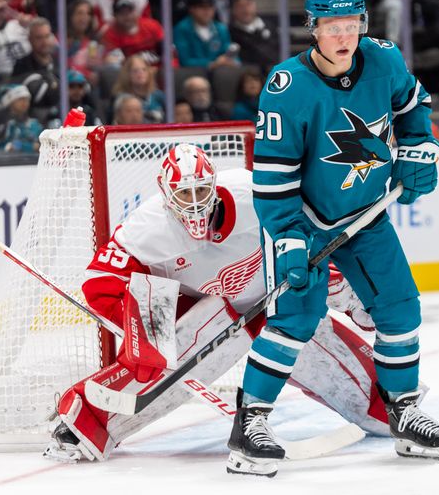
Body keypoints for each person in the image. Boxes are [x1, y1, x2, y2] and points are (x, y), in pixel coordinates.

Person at [230, 0, 439, 477]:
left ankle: (404, 411)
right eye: (332, 25)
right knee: (296, 318)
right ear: (313, 28)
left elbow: (414, 105)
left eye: (351, 22)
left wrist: (420, 148)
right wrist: (288, 239)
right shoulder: (286, 88)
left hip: (368, 215)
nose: (343, 35)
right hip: (304, 221)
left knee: (401, 309)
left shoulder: (384, 59)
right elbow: (273, 180)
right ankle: (250, 424)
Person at [43, 144, 391, 464]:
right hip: (211, 313)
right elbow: (100, 283)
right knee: (174, 347)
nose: (194, 203)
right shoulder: (148, 228)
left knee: (319, 331)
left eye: (200, 191)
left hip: (276, 294)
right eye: (183, 194)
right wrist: (144, 333)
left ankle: (391, 404)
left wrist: (342, 289)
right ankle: (86, 421)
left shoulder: (249, 191)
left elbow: (311, 230)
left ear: (213, 185)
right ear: (166, 195)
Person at [173, 0, 238, 69]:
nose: (206, 11)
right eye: (201, 7)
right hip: (192, 74)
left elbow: (228, 51)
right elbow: (184, 60)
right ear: (191, 9)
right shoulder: (181, 29)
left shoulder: (221, 29)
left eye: (210, 7)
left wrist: (232, 62)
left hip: (218, 73)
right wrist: (212, 64)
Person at [13, 17, 60, 120]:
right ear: (30, 39)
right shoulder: (22, 65)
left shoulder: (59, 62)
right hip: (35, 118)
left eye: (47, 36)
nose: (44, 42)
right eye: (39, 38)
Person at [102, 0, 167, 65]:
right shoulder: (110, 34)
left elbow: (168, 52)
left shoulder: (153, 26)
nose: (127, 16)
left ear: (136, 11)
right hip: (129, 72)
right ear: (114, 16)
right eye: (122, 13)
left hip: (158, 70)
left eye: (129, 11)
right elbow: (114, 62)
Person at [228, 0, 280, 74]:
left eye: (248, 4)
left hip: (275, 71)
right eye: (240, 6)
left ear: (254, 5)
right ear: (233, 10)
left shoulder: (270, 26)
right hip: (249, 74)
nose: (245, 9)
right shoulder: (230, 32)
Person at [111, 55, 166, 123]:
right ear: (127, 74)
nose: (140, 73)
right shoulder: (122, 99)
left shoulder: (158, 95)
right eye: (135, 71)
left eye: (144, 69)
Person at [0, 83, 43, 153]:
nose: (25, 102)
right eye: (20, 99)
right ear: (10, 102)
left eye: (27, 99)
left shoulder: (35, 124)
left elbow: (43, 146)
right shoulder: (4, 125)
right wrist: (29, 147)